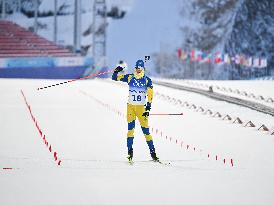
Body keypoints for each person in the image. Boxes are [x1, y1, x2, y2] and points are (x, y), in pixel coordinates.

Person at [112, 59, 159, 162]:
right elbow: (114, 78)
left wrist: (148, 108)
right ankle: (130, 153)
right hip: (131, 108)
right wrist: (116, 71)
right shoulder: (130, 77)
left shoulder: (147, 80)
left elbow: (150, 94)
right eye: (137, 68)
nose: (138, 70)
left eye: (140, 68)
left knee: (146, 131)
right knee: (130, 130)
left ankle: (153, 153)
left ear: (143, 69)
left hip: (141, 109)